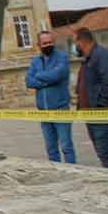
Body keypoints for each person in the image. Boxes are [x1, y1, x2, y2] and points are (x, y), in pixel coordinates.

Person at [74, 27, 108, 168]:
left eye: (75, 41)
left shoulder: (102, 56)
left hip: (102, 116)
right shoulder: (88, 60)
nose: (74, 46)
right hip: (92, 116)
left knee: (106, 154)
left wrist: (99, 107)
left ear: (81, 41)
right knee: (102, 154)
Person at [25, 29, 75, 163]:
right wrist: (49, 79)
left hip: (60, 109)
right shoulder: (35, 61)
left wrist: (39, 76)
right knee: (51, 149)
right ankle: (57, 173)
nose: (48, 45)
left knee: (66, 146)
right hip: (43, 112)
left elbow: (58, 75)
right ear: (39, 45)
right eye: (45, 43)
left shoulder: (62, 57)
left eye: (50, 42)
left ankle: (73, 172)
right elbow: (29, 81)